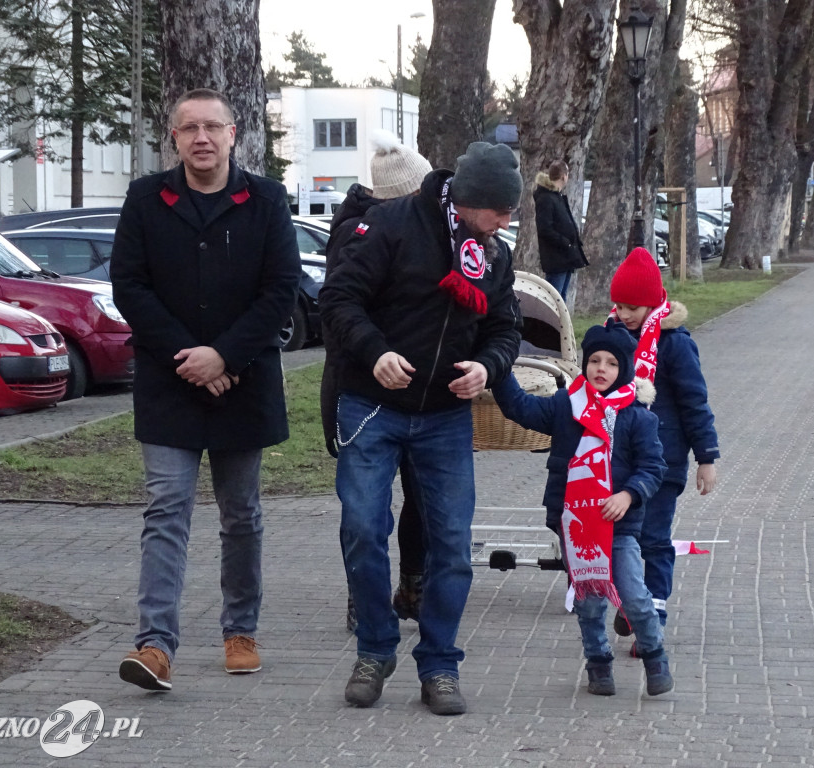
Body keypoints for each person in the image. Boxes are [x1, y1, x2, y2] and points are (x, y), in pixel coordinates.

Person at [319, 141, 524, 716]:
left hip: (444, 416)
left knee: (452, 546)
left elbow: (506, 329)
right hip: (372, 405)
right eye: (500, 211)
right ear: (468, 200)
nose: (505, 223)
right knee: (363, 528)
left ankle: (438, 664)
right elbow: (337, 301)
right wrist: (375, 351)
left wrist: (489, 366)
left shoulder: (493, 255)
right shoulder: (389, 227)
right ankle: (375, 648)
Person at [110, 88, 301, 691]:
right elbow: (129, 286)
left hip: (242, 385)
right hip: (171, 385)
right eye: (188, 127)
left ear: (232, 133)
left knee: (241, 514)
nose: (200, 138)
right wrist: (188, 358)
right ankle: (154, 644)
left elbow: (281, 288)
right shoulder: (146, 198)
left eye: (211, 127)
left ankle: (240, 630)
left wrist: (225, 355)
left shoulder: (265, 199)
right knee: (166, 510)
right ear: (174, 137)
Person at [490, 321, 671, 697]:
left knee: (634, 596)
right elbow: (521, 408)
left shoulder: (637, 416)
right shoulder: (565, 406)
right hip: (576, 527)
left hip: (618, 527)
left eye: (610, 363)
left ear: (624, 371)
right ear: (584, 365)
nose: (601, 369)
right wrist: (499, 367)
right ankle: (598, 663)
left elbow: (653, 468)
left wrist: (629, 494)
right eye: (594, 361)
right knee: (588, 603)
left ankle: (655, 655)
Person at [320, 130, 433, 630]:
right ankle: (365, 595)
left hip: (415, 385)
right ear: (406, 195)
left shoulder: (409, 225)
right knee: (368, 508)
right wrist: (380, 353)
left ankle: (412, 585)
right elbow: (344, 311)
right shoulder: (360, 235)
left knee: (421, 497)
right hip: (366, 388)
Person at [608, 247, 719, 641]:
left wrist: (706, 457)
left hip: (662, 463)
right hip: (619, 464)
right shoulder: (612, 340)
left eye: (633, 307)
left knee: (653, 539)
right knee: (624, 540)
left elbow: (695, 402)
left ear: (654, 303)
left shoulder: (675, 344)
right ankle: (631, 600)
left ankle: (650, 619)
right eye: (619, 305)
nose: (624, 314)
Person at [534, 160, 588, 301]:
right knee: (554, 299)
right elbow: (545, 228)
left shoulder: (556, 196)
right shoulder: (546, 198)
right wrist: (565, 242)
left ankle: (560, 323)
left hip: (566, 256)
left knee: (561, 297)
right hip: (556, 258)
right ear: (564, 176)